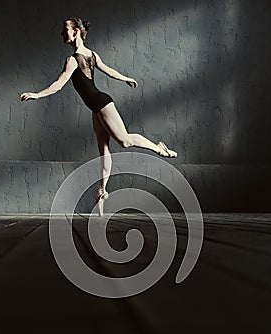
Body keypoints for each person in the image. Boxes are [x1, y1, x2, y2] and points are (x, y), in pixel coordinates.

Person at [20, 17, 178, 216]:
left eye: (65, 30)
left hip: (102, 102)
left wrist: (36, 94)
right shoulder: (89, 55)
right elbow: (107, 71)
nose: (62, 34)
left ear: (76, 31)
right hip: (96, 108)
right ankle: (102, 193)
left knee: (125, 141)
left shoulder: (74, 60)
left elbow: (60, 84)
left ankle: (159, 148)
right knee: (104, 152)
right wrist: (125, 78)